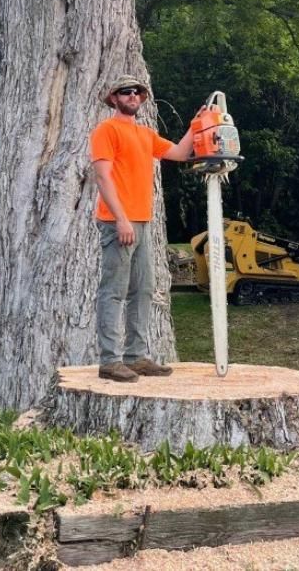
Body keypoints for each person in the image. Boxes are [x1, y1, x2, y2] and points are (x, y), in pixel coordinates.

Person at [90, 74, 193, 382]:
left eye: (137, 91)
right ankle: (110, 361)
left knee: (144, 289)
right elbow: (103, 177)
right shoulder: (106, 130)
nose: (132, 95)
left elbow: (178, 153)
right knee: (114, 291)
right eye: (125, 91)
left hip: (142, 222)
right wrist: (121, 219)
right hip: (117, 221)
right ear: (114, 98)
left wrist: (197, 125)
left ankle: (136, 357)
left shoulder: (146, 134)